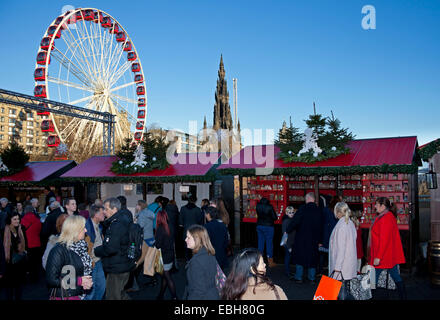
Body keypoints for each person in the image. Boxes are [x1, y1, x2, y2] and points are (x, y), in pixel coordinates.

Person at [94, 197, 135, 300]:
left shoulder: (116, 224)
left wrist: (95, 250)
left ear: (114, 209)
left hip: (117, 266)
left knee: (113, 296)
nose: (103, 211)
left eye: (106, 209)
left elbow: (110, 248)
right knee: (120, 294)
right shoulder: (124, 218)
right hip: (123, 263)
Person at [45, 215, 93, 300]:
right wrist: (80, 281)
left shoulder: (81, 246)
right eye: (83, 228)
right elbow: (52, 280)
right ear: (74, 231)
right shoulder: (59, 250)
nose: (86, 230)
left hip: (80, 294)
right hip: (65, 296)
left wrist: (85, 282)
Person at [368, 197, 406, 300]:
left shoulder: (385, 218)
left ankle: (371, 297)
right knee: (395, 276)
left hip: (383, 255)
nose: (375, 206)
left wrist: (378, 257)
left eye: (376, 204)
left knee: (373, 278)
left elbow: (384, 240)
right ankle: (403, 297)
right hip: (388, 254)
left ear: (383, 206)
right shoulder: (387, 216)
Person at [221, 248, 288, 300]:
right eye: (262, 263)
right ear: (252, 269)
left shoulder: (231, 292)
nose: (265, 265)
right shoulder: (276, 291)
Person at [287, 192, 324, 283]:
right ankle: (312, 278)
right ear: (314, 199)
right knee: (313, 258)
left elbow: (295, 222)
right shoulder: (319, 210)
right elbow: (322, 226)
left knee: (300, 257)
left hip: (302, 237)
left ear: (307, 199)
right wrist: (320, 239)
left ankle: (298, 277)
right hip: (314, 238)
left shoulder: (302, 209)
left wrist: (288, 230)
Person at [328, 202, 358, 300]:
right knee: (345, 290)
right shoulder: (350, 223)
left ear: (338, 212)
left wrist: (337, 268)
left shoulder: (341, 226)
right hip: (349, 263)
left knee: (341, 293)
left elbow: (341, 250)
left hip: (341, 265)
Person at [184, 224, 219, 300]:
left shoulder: (196, 262)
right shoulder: (209, 253)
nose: (185, 239)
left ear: (197, 239)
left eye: (188, 237)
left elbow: (198, 292)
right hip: (213, 294)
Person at [2, 212, 27, 300]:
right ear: (10, 220)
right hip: (8, 263)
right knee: (9, 288)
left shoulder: (21, 229)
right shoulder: (3, 231)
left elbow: (25, 245)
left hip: (19, 263)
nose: (17, 221)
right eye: (15, 219)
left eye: (18, 219)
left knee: (19, 287)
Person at [84, 204, 106, 300]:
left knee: (101, 287)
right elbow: (86, 247)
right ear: (95, 214)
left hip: (98, 261)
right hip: (91, 262)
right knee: (90, 292)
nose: (104, 215)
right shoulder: (87, 227)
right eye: (102, 213)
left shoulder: (99, 225)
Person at [155, 207, 177, 300]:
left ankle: (175, 297)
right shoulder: (170, 226)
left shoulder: (160, 229)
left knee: (167, 277)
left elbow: (158, 245)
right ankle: (160, 295)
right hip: (171, 254)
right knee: (165, 277)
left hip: (164, 256)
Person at [317, 195, 339, 277]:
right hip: (334, 232)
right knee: (334, 254)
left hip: (326, 232)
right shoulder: (337, 211)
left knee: (322, 253)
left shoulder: (326, 209)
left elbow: (321, 221)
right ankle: (333, 271)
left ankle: (320, 271)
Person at [21, 205, 42, 283]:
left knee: (29, 262)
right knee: (36, 262)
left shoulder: (23, 220)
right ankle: (36, 277)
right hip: (37, 243)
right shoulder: (37, 220)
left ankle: (30, 278)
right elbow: (39, 231)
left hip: (28, 244)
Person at [179, 195, 204, 261]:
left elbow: (180, 222)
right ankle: (194, 259)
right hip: (195, 230)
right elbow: (200, 222)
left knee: (186, 245)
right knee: (195, 245)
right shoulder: (198, 210)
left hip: (186, 230)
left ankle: (187, 259)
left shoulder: (182, 208)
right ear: (195, 201)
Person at [256, 197, 278, 268]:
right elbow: (275, 217)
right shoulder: (270, 207)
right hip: (268, 227)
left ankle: (259, 261)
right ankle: (270, 262)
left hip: (259, 225)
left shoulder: (258, 206)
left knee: (260, 243)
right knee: (269, 243)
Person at [281, 206, 296, 277]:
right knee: (287, 257)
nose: (292, 214)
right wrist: (288, 245)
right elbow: (285, 234)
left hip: (291, 242)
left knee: (288, 257)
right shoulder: (286, 221)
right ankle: (287, 272)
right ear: (286, 213)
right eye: (290, 212)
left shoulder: (290, 220)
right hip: (288, 242)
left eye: (293, 212)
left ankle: (288, 271)